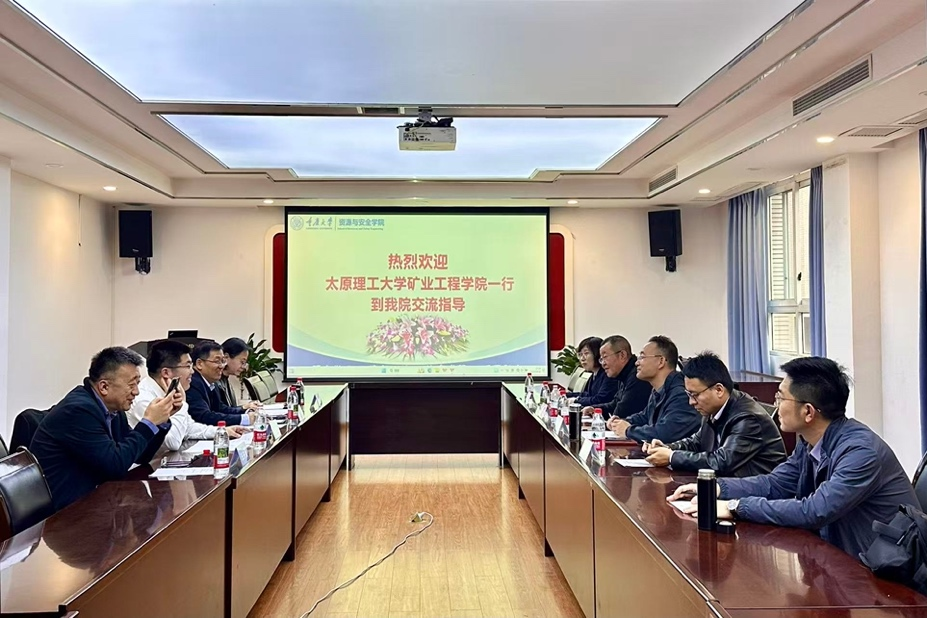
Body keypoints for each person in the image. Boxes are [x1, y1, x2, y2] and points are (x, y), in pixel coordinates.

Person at [669, 357, 919, 559]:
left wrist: (735, 507)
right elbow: (775, 483)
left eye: (780, 397)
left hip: (886, 574)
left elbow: (815, 510)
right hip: (843, 556)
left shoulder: (860, 452)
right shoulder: (809, 441)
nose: (775, 404)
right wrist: (717, 488)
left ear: (808, 411)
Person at [30, 347, 178, 511]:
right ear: (104, 387)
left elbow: (139, 456)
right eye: (131, 385)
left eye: (137, 384)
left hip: (95, 501)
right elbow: (115, 466)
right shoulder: (79, 410)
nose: (136, 392)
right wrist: (148, 422)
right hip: (65, 512)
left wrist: (160, 420)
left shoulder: (112, 409)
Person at [642, 352, 786, 477]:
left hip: (757, 493)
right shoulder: (713, 408)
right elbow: (696, 443)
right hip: (730, 485)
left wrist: (672, 457)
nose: (691, 402)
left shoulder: (747, 418)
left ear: (718, 390)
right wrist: (668, 448)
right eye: (688, 394)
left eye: (695, 395)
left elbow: (722, 461)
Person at [129, 340, 247, 451]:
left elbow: (188, 428)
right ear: (166, 373)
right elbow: (173, 442)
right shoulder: (144, 400)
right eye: (187, 366)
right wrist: (182, 404)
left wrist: (222, 431)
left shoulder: (166, 391)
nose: (192, 371)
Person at [607, 335, 700, 444]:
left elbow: (666, 434)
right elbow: (645, 417)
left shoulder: (681, 393)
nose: (636, 362)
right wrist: (620, 423)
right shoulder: (658, 389)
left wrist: (628, 430)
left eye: (642, 357)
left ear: (661, 361)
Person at [186, 341, 260, 427]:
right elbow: (204, 417)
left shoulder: (211, 382)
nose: (222, 366)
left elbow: (220, 408)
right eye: (217, 361)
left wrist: (244, 410)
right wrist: (244, 419)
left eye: (223, 361)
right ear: (199, 364)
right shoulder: (192, 383)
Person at [581, 335, 651, 420]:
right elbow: (614, 404)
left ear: (622, 355)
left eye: (605, 357)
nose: (603, 363)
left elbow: (620, 413)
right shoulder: (622, 374)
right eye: (601, 359)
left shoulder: (637, 376)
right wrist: (594, 410)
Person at [567, 336, 621, 407]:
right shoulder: (594, 374)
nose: (582, 358)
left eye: (586, 353)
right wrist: (566, 395)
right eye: (580, 354)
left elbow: (600, 399)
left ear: (598, 354)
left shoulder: (608, 374)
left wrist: (576, 400)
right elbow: (588, 394)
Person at [218, 337, 250, 408]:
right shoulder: (215, 382)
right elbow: (222, 411)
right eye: (242, 362)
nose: (244, 367)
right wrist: (243, 408)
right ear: (226, 357)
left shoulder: (225, 379)